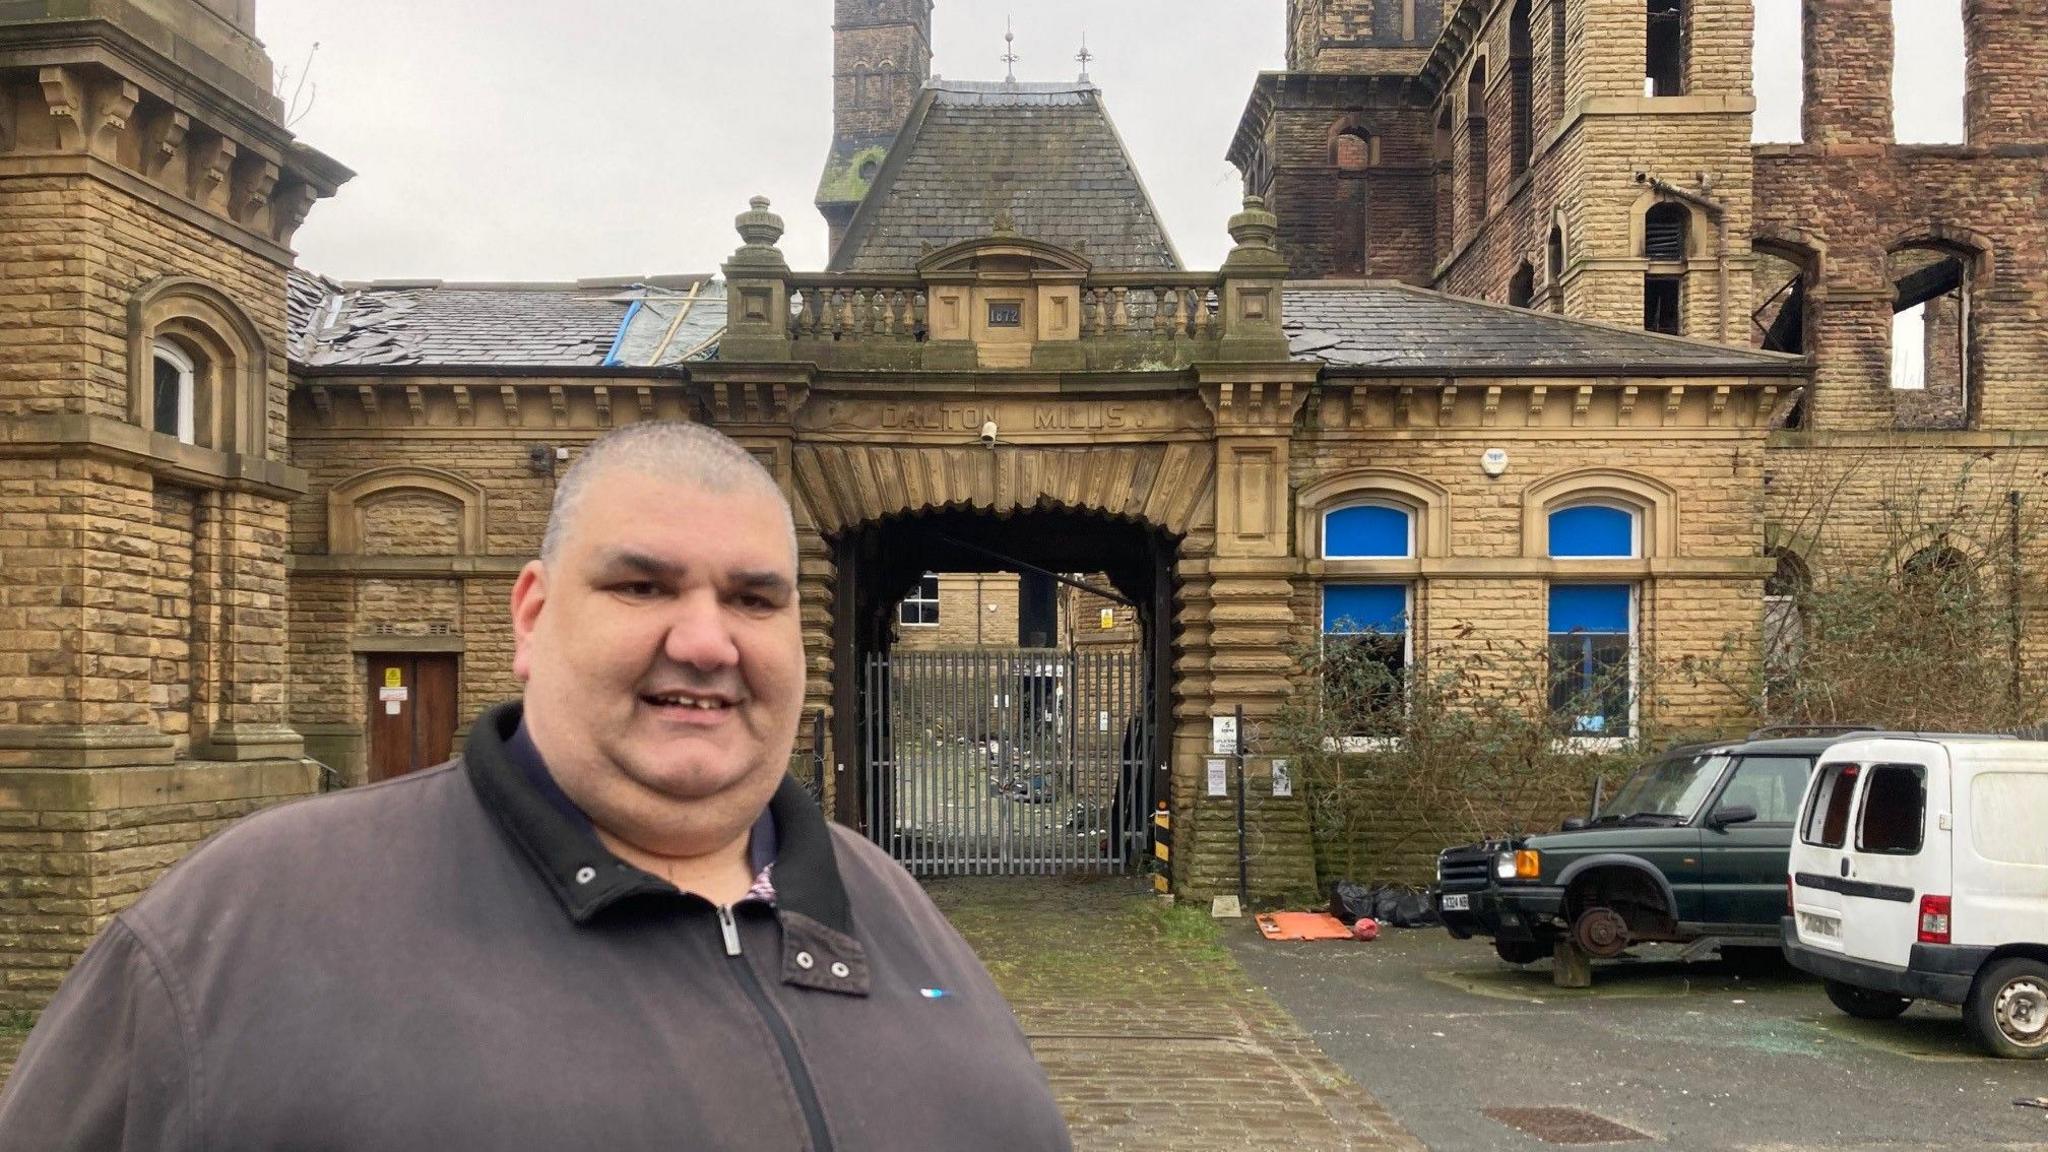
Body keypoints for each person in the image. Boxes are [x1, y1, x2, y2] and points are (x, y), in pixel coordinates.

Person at [0, 422, 1072, 1151]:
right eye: (640, 585)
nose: (704, 641)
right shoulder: (236, 931)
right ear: (530, 615)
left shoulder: (898, 913)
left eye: (753, 600)